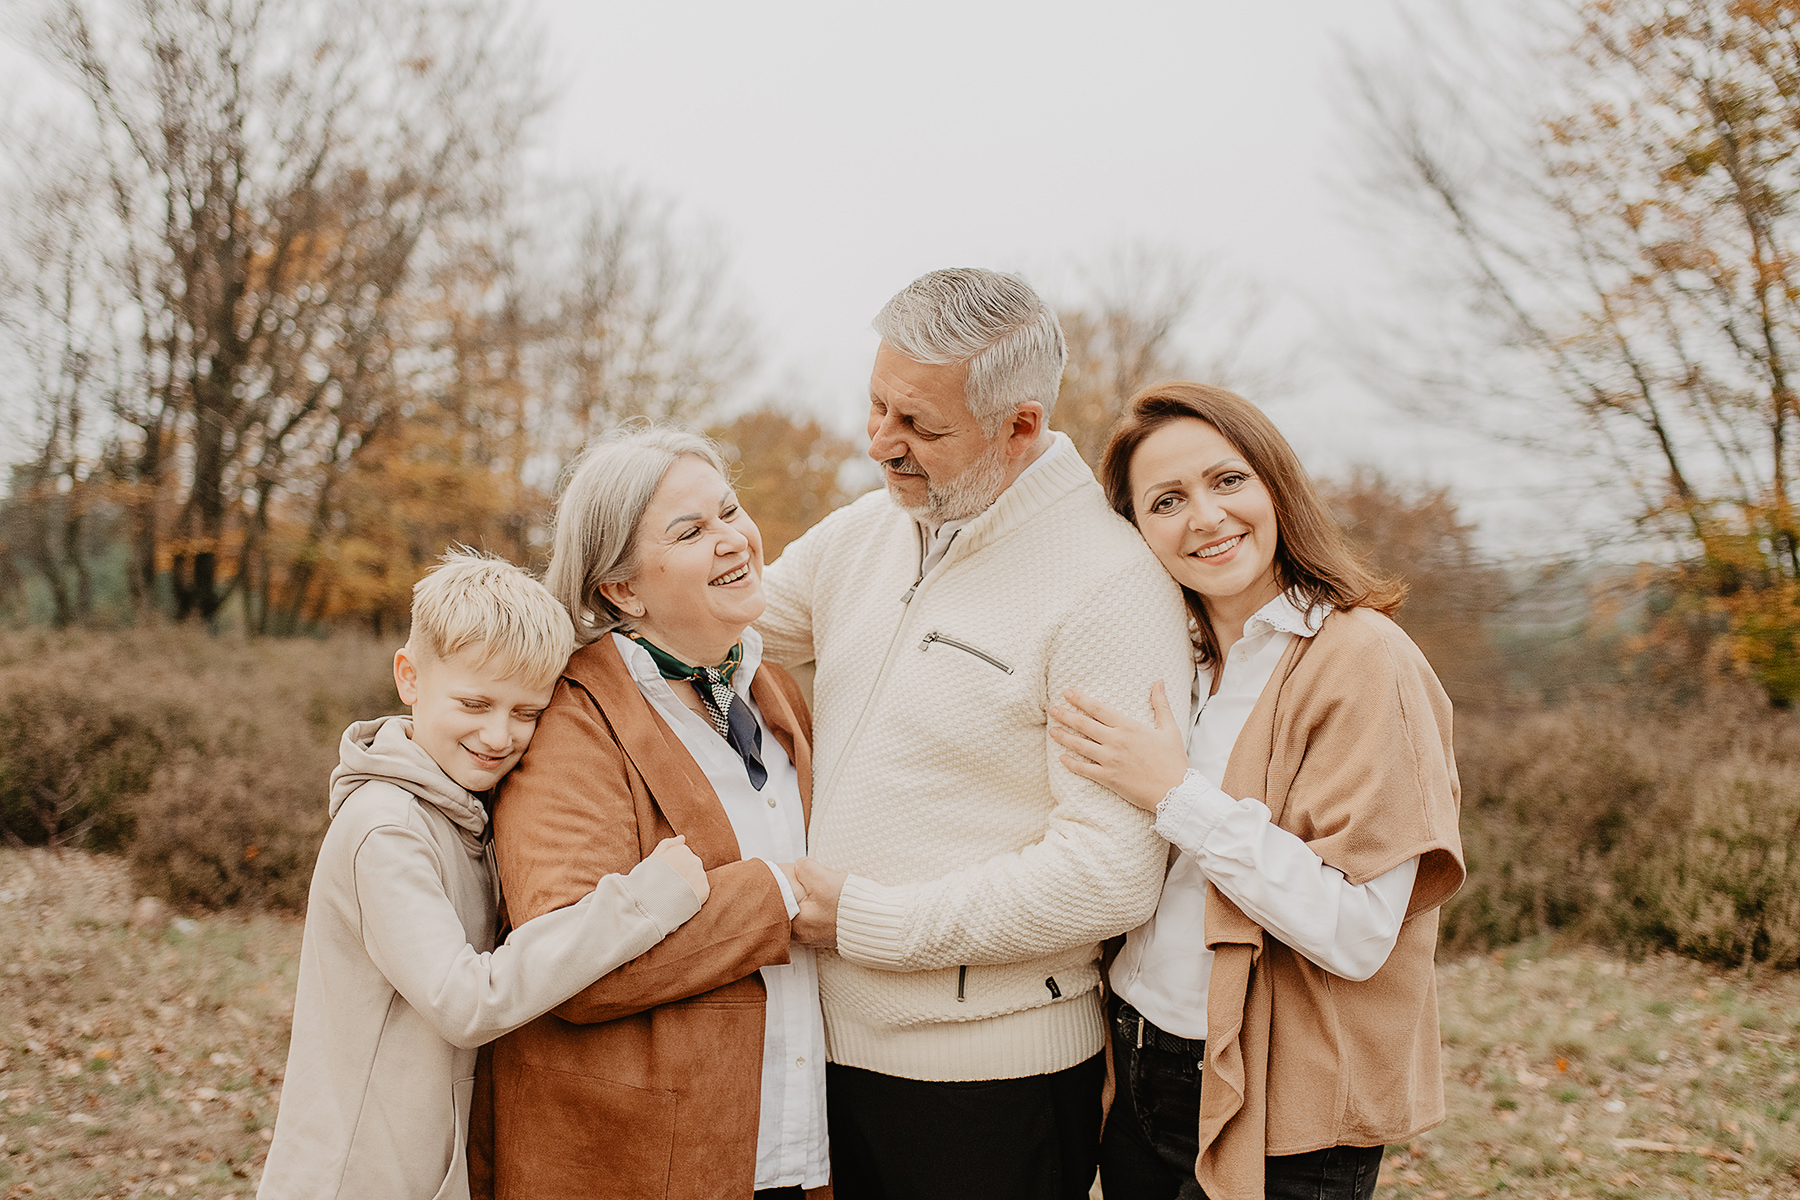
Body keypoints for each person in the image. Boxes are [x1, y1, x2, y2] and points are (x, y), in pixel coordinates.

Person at [757, 267, 1195, 1200]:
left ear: (1020, 425)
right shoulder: (867, 531)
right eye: (877, 405)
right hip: (821, 1055)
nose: (881, 441)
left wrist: (874, 923)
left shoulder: (1109, 587)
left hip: (986, 1085)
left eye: (919, 425)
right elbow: (721, 626)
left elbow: (1111, 871)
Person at [1046, 381, 1466, 1200]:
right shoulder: (1167, 662)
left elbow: (1358, 932)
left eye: (1228, 480)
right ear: (1136, 531)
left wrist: (1177, 796)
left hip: (1283, 1098)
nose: (1205, 517)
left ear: (1276, 484)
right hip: (1136, 1065)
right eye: (1167, 500)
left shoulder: (1364, 660)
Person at [258, 551, 710, 1200]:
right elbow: (465, 1002)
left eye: (526, 713)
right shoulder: (386, 828)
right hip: (356, 1179)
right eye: (475, 703)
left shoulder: (467, 813)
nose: (499, 735)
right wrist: (640, 904)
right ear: (409, 678)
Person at [472, 426, 828, 1200]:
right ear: (622, 590)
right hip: (642, 1162)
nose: (732, 539)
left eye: (729, 511)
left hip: (797, 1149)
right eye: (691, 532)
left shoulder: (771, 689)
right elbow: (569, 968)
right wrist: (779, 894)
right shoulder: (575, 716)